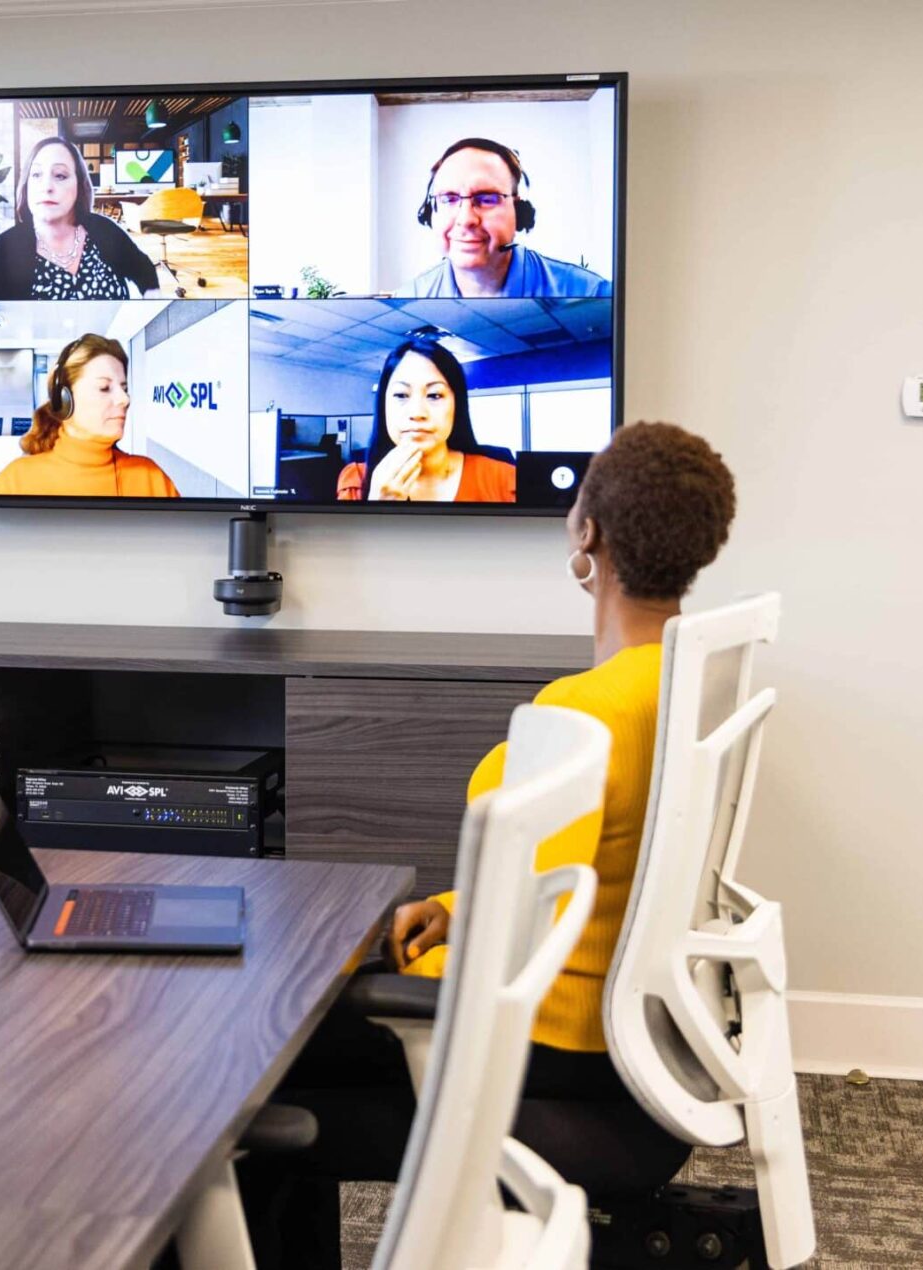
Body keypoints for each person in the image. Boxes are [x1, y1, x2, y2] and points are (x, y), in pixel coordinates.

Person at [238, 421, 739, 1269]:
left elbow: (523, 939)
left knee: (249, 1070)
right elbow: (584, 875)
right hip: (632, 1034)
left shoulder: (585, 715)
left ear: (589, 534)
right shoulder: (687, 685)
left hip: (546, 1042)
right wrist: (449, 906)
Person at [400, 137, 612, 299]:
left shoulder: (592, 293)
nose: (465, 219)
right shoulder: (408, 297)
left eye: (486, 198)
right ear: (430, 212)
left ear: (518, 212)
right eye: (449, 198)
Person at [0, 135, 162, 301]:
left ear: (79, 184)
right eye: (36, 175)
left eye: (60, 175)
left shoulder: (105, 230)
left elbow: (144, 271)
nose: (47, 186)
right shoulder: (2, 250)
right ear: (26, 185)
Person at [0, 334, 181, 498]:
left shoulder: (151, 478)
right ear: (64, 400)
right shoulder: (16, 481)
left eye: (124, 388)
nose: (124, 399)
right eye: (104, 388)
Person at [335, 337, 517, 502]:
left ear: (457, 405)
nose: (416, 412)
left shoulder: (506, 480)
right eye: (401, 395)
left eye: (434, 395)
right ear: (383, 405)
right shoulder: (356, 480)